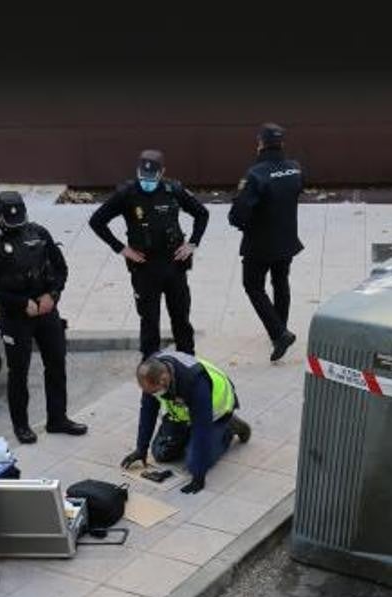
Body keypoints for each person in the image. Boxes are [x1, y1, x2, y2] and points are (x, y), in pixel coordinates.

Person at [0, 191, 88, 444]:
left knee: (56, 364)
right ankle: (21, 426)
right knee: (19, 372)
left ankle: (57, 419)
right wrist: (21, 303)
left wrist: (53, 295)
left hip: (46, 311)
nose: (17, 224)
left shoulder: (39, 233)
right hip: (15, 317)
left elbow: (61, 269)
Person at [89, 149, 209, 359]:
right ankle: (150, 362)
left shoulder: (173, 190)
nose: (147, 183)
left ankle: (187, 358)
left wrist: (192, 243)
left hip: (174, 263)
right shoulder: (127, 194)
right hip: (144, 266)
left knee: (181, 316)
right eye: (143, 178)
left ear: (162, 173)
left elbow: (202, 214)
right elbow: (97, 221)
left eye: (152, 179)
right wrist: (121, 248)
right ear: (137, 172)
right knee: (149, 319)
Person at [121, 351, 251, 494]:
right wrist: (141, 449)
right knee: (160, 453)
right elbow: (147, 412)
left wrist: (198, 476)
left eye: (154, 392)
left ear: (164, 380)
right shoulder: (152, 373)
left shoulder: (195, 382)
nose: (152, 395)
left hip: (214, 414)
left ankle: (229, 428)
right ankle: (189, 436)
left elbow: (202, 428)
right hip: (184, 415)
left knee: (193, 463)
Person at [229, 123, 304, 361]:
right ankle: (280, 328)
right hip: (287, 239)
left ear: (260, 144)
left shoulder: (255, 175)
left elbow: (238, 215)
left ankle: (279, 334)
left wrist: (243, 223)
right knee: (280, 282)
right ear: (282, 144)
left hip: (260, 244)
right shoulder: (295, 169)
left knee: (252, 285)